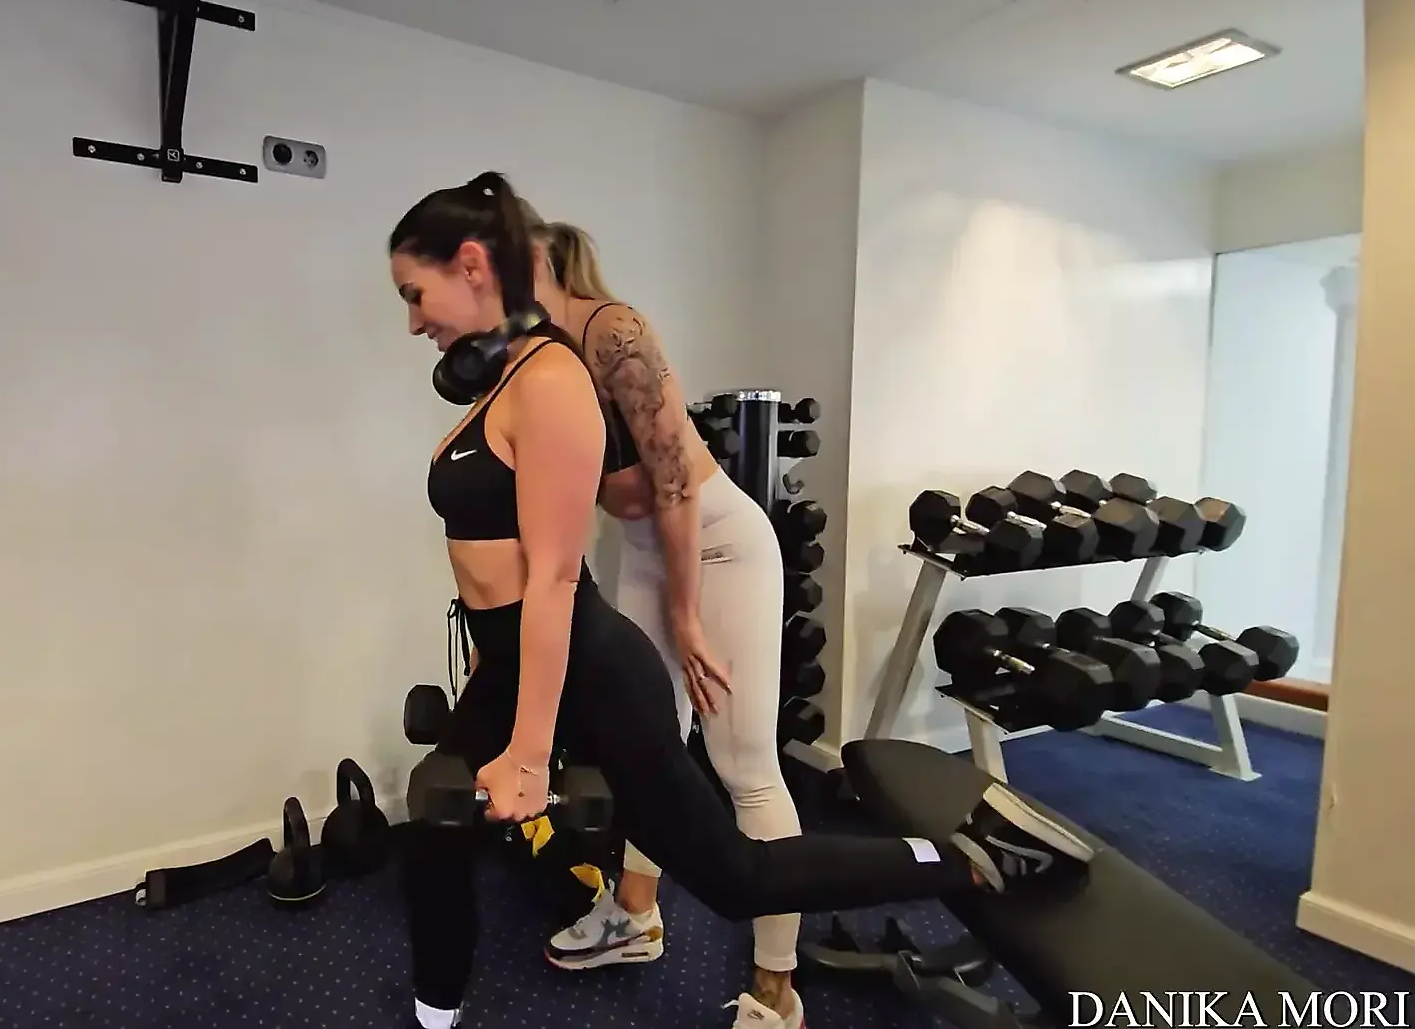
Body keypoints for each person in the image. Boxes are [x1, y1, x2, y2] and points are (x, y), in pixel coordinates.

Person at [390, 170, 1093, 1029]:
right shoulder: (511, 375)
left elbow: (659, 497)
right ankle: (601, 933)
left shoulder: (587, 349)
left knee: (739, 825)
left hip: (713, 545)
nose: (414, 321)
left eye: (415, 294)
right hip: (618, 580)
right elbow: (565, 526)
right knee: (456, 812)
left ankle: (949, 870)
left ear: (494, 262)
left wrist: (678, 623)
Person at [523, 215, 806, 1027]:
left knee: (745, 766)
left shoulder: (613, 330)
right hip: (647, 551)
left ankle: (777, 989)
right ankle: (636, 917)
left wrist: (686, 615)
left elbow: (675, 480)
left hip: (718, 544)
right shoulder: (539, 359)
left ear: (543, 263)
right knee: (647, 748)